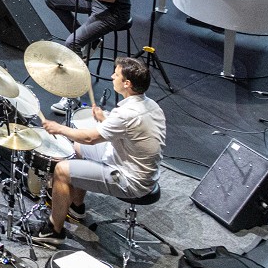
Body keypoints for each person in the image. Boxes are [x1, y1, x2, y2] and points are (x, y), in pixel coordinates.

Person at [29, 57, 166, 246]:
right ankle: (76, 206)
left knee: (61, 170)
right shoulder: (151, 105)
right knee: (78, 148)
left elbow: (90, 138)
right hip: (137, 166)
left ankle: (54, 231)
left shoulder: (126, 114)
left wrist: (58, 128)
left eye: (116, 75)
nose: (112, 77)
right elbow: (127, 132)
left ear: (127, 83)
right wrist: (103, 119)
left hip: (130, 180)